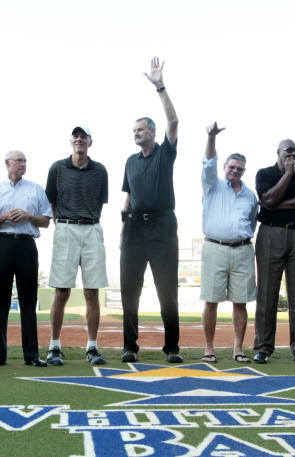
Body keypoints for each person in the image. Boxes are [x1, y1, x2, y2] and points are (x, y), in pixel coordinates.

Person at [120, 57, 182, 363]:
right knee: (129, 289)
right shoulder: (131, 162)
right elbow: (128, 197)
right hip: (133, 229)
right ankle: (129, 346)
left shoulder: (164, 154)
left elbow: (173, 122)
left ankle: (172, 348)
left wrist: (160, 86)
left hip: (162, 227)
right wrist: (122, 232)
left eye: (141, 129)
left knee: (166, 289)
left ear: (153, 133)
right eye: (134, 130)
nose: (136, 133)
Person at [0, 150, 52, 367]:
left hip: (27, 244)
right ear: (7, 163)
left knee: (28, 301)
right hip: (2, 243)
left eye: (24, 161)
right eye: (18, 161)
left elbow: (46, 221)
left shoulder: (36, 189)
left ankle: (31, 355)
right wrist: (3, 217)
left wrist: (28, 215)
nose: (23, 164)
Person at [44, 126, 109, 366]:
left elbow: (99, 203)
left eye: (83, 136)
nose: (79, 139)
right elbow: (51, 199)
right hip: (66, 228)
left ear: (90, 141)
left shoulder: (100, 170)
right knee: (61, 291)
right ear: (71, 140)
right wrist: (62, 223)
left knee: (92, 291)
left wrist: (87, 220)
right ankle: (54, 346)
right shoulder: (57, 168)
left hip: (92, 228)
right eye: (76, 136)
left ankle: (92, 347)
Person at [253, 139, 295, 365]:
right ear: (278, 153)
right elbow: (266, 198)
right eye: (287, 151)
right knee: (267, 293)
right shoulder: (265, 173)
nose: (292, 154)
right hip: (271, 234)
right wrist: (287, 176)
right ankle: (263, 347)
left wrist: (276, 205)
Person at [199, 123, 258, 363]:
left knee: (240, 302)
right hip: (215, 247)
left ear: (244, 171)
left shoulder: (250, 195)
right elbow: (208, 162)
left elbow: (252, 222)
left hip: (243, 249)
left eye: (239, 168)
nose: (235, 170)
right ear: (225, 168)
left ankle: (238, 349)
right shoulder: (212, 185)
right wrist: (211, 137)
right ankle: (209, 349)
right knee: (211, 300)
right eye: (231, 166)